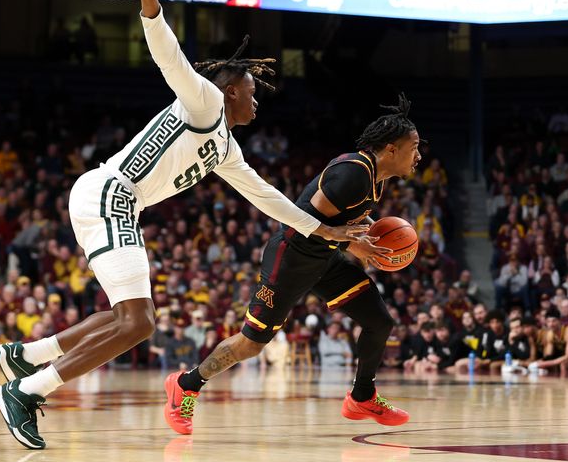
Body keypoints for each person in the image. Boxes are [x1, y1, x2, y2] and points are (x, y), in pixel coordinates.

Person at [0, 0, 364, 450]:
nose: (256, 100)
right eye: (251, 91)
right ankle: (27, 390)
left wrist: (324, 230)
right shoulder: (205, 102)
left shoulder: (226, 148)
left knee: (126, 315)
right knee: (139, 321)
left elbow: (267, 197)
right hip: (111, 193)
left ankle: (27, 355)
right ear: (231, 90)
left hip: (112, 200)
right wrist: (150, 4)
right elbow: (171, 60)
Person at [163, 92, 422, 435]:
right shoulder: (354, 174)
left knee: (379, 321)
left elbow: (341, 221)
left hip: (323, 257)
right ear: (391, 149)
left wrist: (364, 234)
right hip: (291, 259)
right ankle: (185, 384)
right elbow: (302, 221)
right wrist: (349, 242)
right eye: (414, 147)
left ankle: (362, 397)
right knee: (251, 344)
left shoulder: (376, 176)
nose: (418, 155)